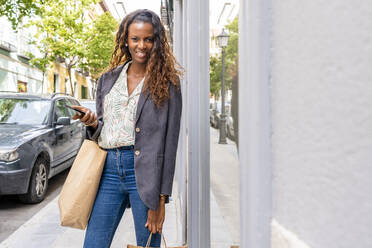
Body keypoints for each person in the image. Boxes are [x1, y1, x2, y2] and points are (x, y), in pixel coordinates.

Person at [71, 9, 182, 248]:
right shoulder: (107, 79)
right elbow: (103, 127)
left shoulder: (167, 83)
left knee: (147, 244)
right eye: (135, 39)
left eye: (148, 39)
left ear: (157, 42)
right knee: (93, 244)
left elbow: (170, 145)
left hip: (145, 174)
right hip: (109, 170)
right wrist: (92, 123)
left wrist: (161, 200)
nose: (141, 45)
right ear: (125, 39)